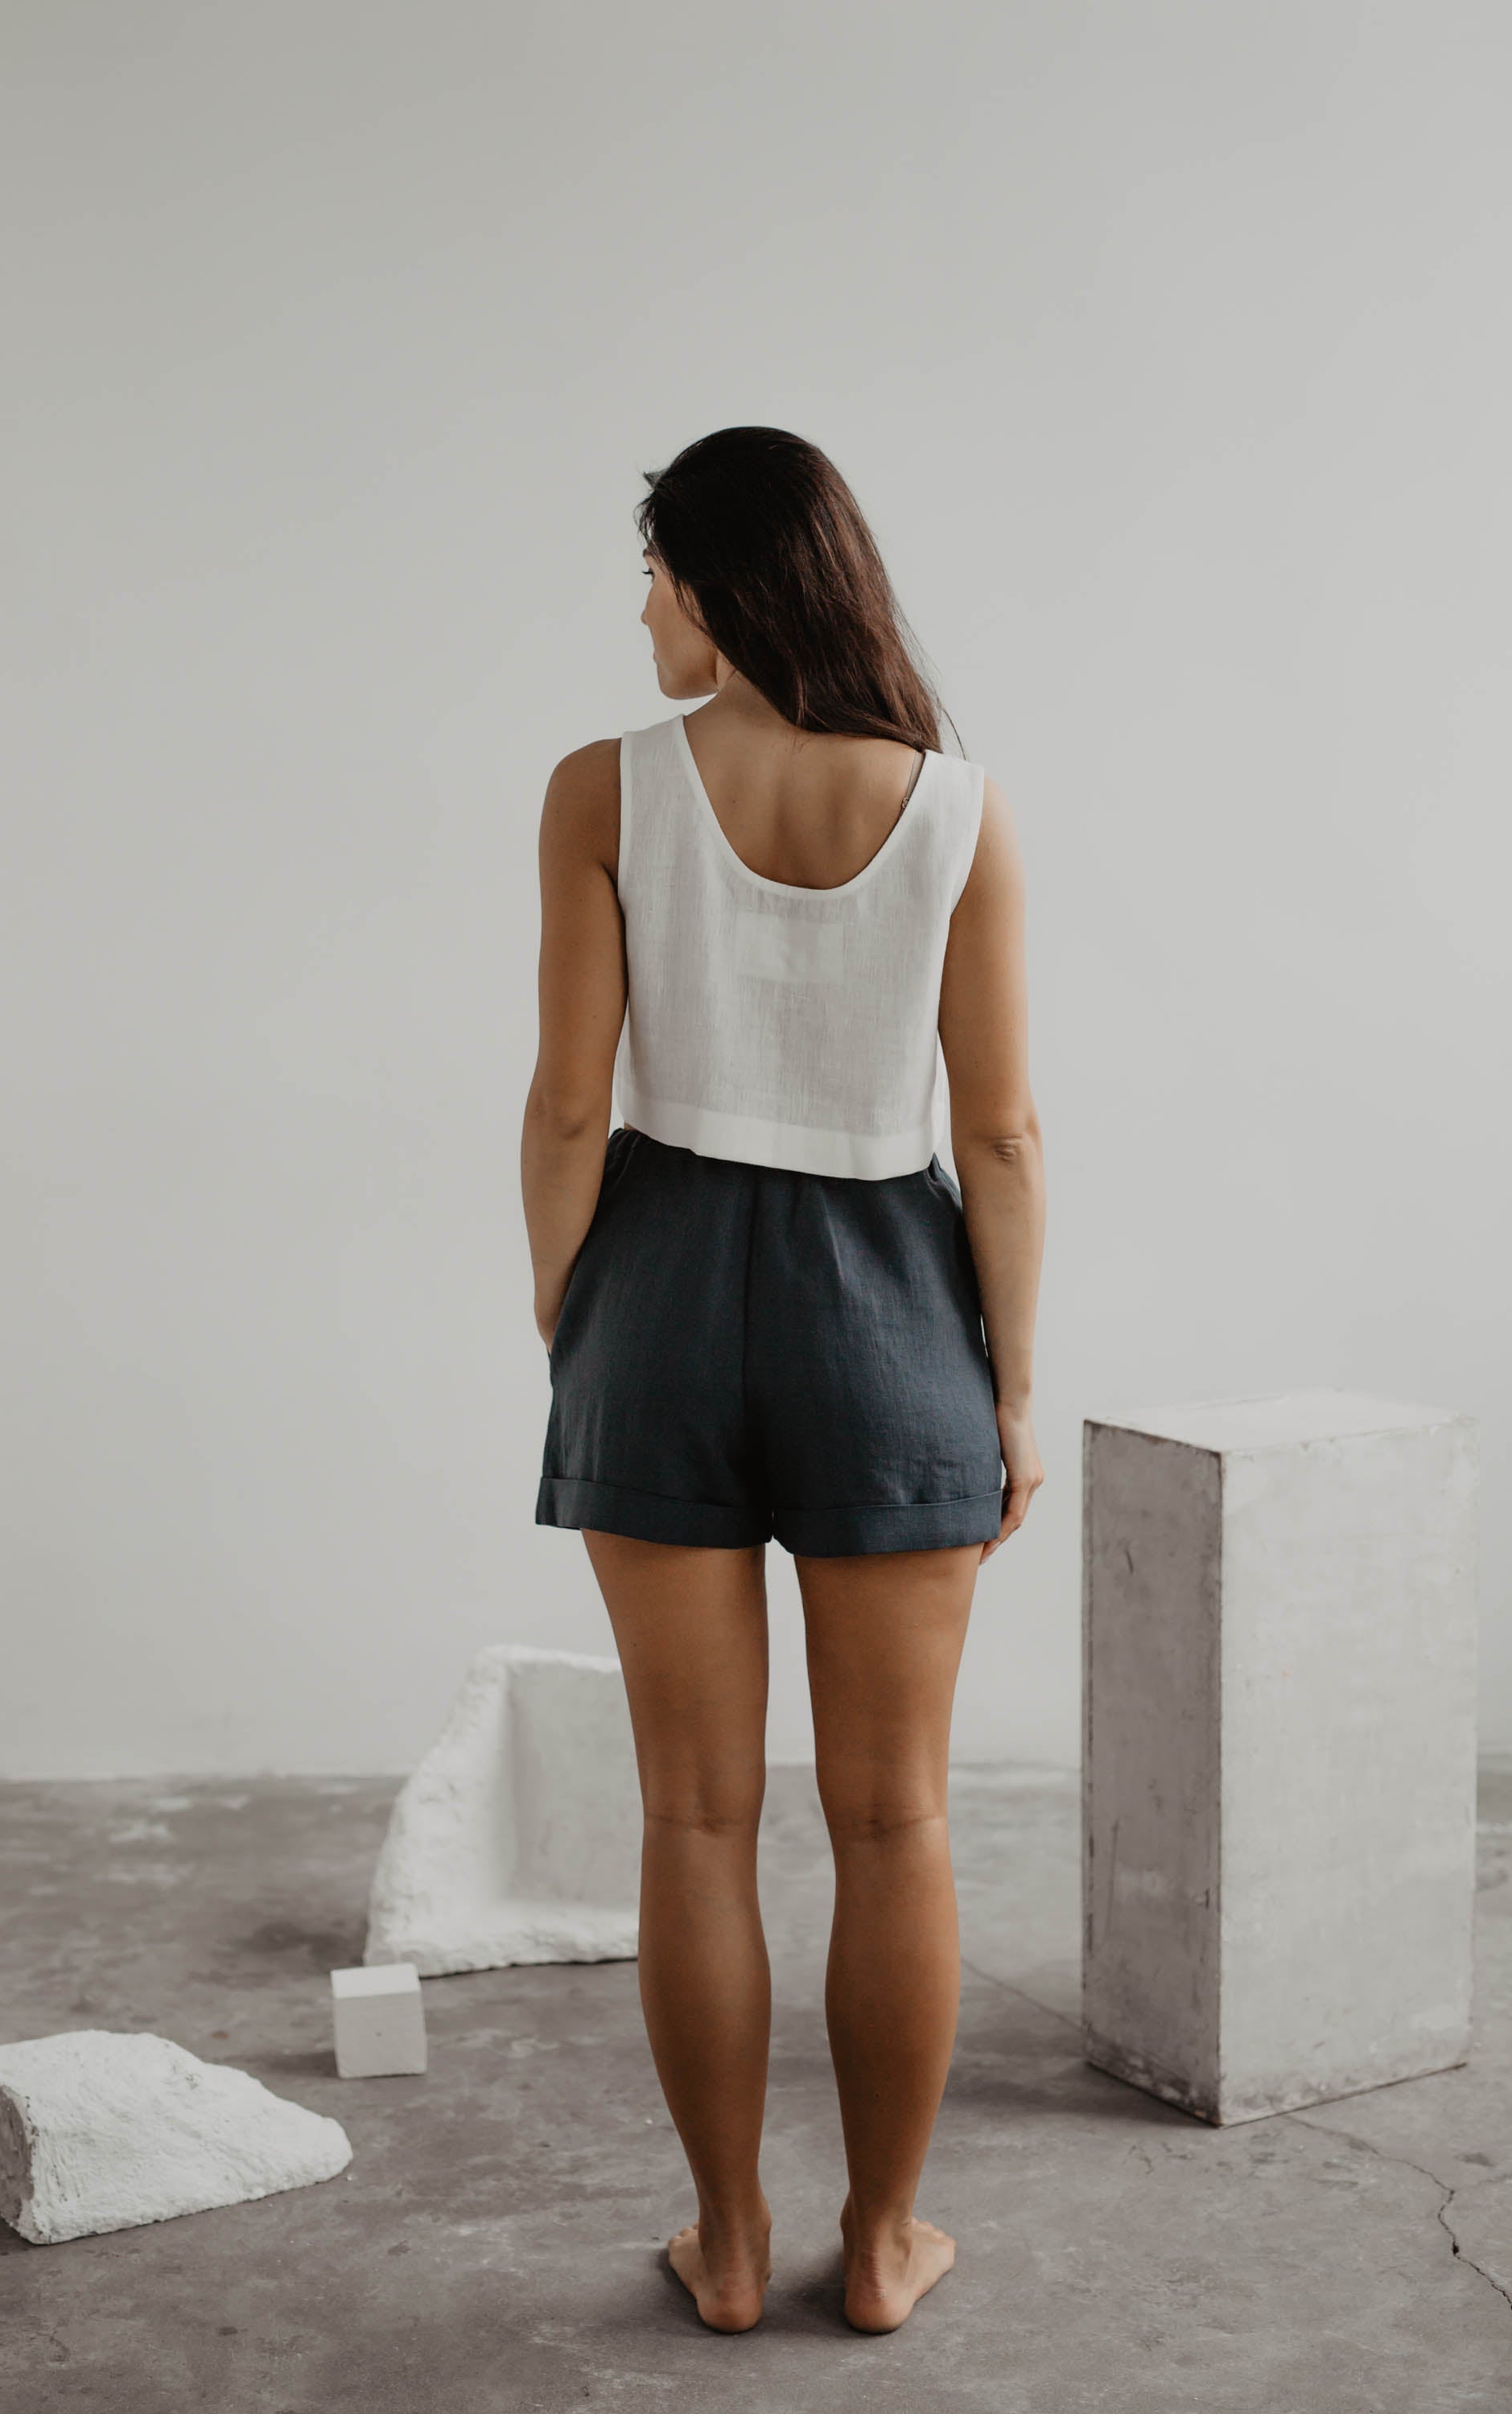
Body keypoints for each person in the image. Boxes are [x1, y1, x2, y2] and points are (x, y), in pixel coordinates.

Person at [519, 426, 1045, 2337]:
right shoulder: (956, 809)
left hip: (658, 1293)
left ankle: (730, 2245)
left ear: (730, 581)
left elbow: (574, 1097)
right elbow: (998, 1136)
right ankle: (883, 2246)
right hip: (890, 1315)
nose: (644, 603)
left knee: (695, 1819)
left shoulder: (605, 790)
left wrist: (569, 1307)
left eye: (656, 566)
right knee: (894, 1817)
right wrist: (1005, 1388)